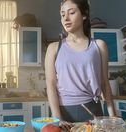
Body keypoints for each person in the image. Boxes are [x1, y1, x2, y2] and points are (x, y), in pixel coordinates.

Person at [44, 0, 116, 131]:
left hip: (93, 110)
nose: (65, 18)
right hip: (63, 113)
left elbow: (105, 83)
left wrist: (113, 116)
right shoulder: (53, 48)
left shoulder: (99, 46)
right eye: (62, 14)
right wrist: (57, 118)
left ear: (84, 15)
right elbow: (51, 85)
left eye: (71, 12)